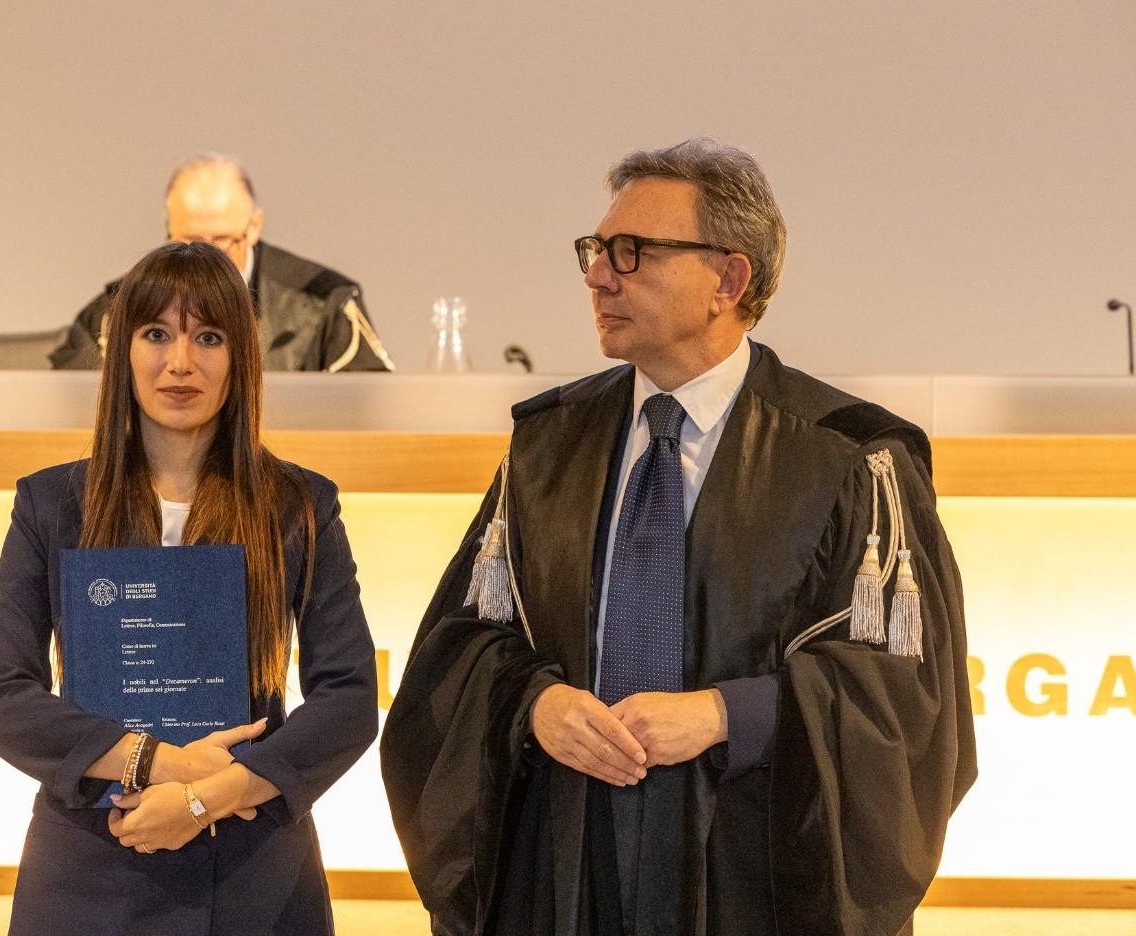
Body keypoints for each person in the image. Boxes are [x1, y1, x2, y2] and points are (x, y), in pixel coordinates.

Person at [381, 139, 976, 936]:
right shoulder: (548, 446)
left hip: (751, 868)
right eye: (595, 250)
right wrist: (534, 702)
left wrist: (728, 715)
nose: (598, 276)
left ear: (728, 280)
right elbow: (458, 650)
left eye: (632, 252)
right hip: (570, 857)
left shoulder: (848, 458)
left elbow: (909, 701)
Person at [0, 240, 378, 934]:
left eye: (209, 337)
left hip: (253, 865)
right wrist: (155, 763)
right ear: (122, 352)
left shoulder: (298, 506)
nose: (181, 362)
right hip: (90, 863)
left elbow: (349, 698)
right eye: (157, 334)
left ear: (242, 357)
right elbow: (1, 697)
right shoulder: (53, 506)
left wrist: (207, 798)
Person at [49, 154, 394, 372]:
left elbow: (366, 410)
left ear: (254, 227)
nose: (206, 254)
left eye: (221, 240)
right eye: (189, 240)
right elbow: (70, 397)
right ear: (169, 232)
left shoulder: (324, 302)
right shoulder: (121, 304)